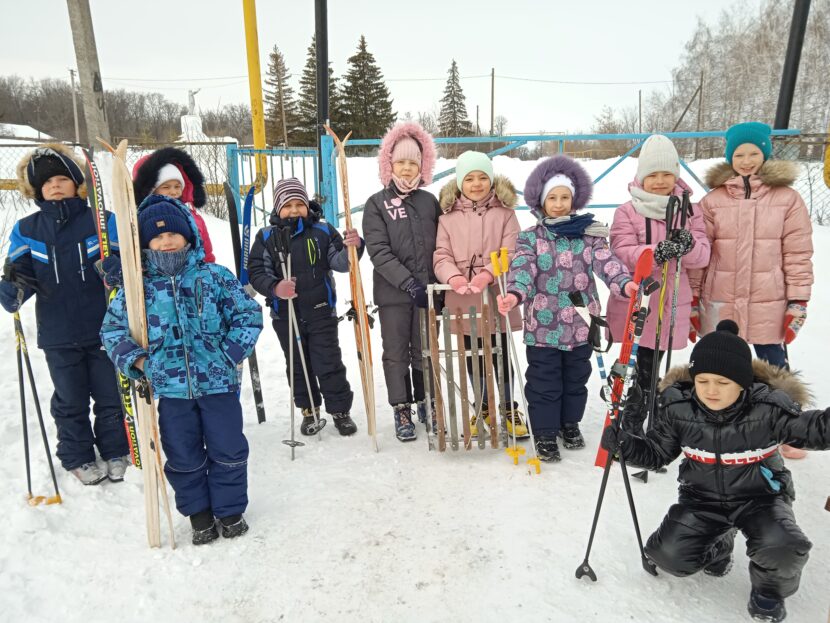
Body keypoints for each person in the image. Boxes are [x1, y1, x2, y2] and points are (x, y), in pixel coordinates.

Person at [601, 320, 829, 622]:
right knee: (667, 556)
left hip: (760, 498)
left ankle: (768, 591)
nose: (711, 391)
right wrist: (625, 445)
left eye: (723, 383)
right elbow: (657, 453)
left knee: (784, 547)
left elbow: (815, 429)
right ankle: (720, 544)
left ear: (743, 383)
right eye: (703, 381)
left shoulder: (768, 408)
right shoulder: (678, 407)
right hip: (701, 498)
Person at [100, 195, 262, 545]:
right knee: (182, 454)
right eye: (157, 237)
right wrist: (140, 362)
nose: (166, 240)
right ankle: (199, 514)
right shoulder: (137, 290)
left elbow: (248, 315)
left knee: (229, 447)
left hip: (218, 384)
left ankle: (230, 509)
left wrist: (229, 353)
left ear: (189, 236)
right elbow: (112, 332)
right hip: (170, 390)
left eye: (173, 233)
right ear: (145, 244)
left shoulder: (214, 277)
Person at [0, 144, 129, 485]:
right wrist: (12, 290)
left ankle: (116, 449)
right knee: (70, 399)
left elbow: (125, 263)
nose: (55, 186)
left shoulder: (101, 221)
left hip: (105, 327)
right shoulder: (26, 230)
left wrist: (115, 269)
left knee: (109, 395)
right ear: (36, 190)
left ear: (77, 183)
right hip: (57, 332)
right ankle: (78, 456)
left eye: (62, 178)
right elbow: (19, 272)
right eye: (47, 183)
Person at [498, 155, 635, 461]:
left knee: (575, 379)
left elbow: (606, 262)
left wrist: (624, 282)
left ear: (575, 199)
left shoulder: (590, 235)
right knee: (544, 381)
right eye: (552, 197)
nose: (559, 203)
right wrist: (515, 294)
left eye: (564, 197)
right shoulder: (530, 238)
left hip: (581, 324)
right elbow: (523, 268)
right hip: (542, 327)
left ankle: (568, 423)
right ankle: (545, 431)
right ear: (541, 200)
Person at [693, 122, 814, 459]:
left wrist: (798, 300)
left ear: (765, 154)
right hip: (721, 296)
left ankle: (788, 426)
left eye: (754, 153)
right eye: (739, 154)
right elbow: (700, 255)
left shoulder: (787, 199)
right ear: (730, 157)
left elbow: (798, 253)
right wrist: (692, 299)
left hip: (768, 297)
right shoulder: (712, 202)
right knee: (718, 363)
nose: (746, 161)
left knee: (774, 363)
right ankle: (716, 421)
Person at [607, 134, 711, 435]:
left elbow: (702, 256)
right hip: (638, 302)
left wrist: (688, 245)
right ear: (641, 176)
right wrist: (653, 253)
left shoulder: (689, 211)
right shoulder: (627, 211)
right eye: (653, 174)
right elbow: (621, 251)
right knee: (637, 368)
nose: (660, 181)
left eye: (667, 174)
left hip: (670, 304)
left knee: (651, 370)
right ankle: (630, 423)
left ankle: (640, 423)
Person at [247, 178, 361, 437]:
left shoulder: (322, 231)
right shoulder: (266, 237)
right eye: (288, 205)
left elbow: (341, 262)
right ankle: (309, 409)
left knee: (328, 361)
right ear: (277, 209)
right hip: (286, 315)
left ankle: (340, 410)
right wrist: (275, 288)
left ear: (307, 206)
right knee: (298, 364)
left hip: (321, 311)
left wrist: (353, 248)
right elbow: (256, 272)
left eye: (299, 203)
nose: (295, 210)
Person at [434, 150, 528, 440]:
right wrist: (454, 276)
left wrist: (489, 272)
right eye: (470, 178)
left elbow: (512, 251)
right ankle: (483, 405)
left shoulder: (505, 214)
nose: (477, 184)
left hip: (495, 293)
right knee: (472, 354)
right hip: (462, 295)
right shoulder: (447, 219)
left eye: (483, 177)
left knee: (500, 352)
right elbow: (441, 254)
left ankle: (508, 405)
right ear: (460, 182)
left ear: (491, 180)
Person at [362, 122, 441, 442]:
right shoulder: (376, 204)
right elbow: (378, 251)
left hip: (428, 293)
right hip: (394, 294)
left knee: (426, 350)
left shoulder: (428, 201)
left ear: (422, 167)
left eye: (413, 163)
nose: (407, 168)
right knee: (396, 352)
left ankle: (427, 402)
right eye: (401, 162)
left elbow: (442, 244)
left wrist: (437, 285)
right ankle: (401, 408)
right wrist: (409, 284)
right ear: (388, 164)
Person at [132, 147, 216, 263]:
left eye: (177, 186)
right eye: (166, 187)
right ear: (151, 190)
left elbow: (207, 251)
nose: (173, 192)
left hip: (192, 275)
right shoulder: (143, 218)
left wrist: (209, 269)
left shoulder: (193, 217)